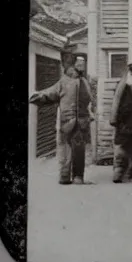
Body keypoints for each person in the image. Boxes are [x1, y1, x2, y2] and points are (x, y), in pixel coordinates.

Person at [29, 55, 94, 185]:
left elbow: (90, 100)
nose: (83, 66)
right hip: (67, 122)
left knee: (79, 149)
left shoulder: (85, 82)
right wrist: (37, 96)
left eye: (84, 63)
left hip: (82, 122)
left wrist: (90, 113)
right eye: (80, 63)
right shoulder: (63, 82)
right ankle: (64, 177)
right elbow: (49, 94)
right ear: (73, 65)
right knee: (65, 149)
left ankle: (78, 177)